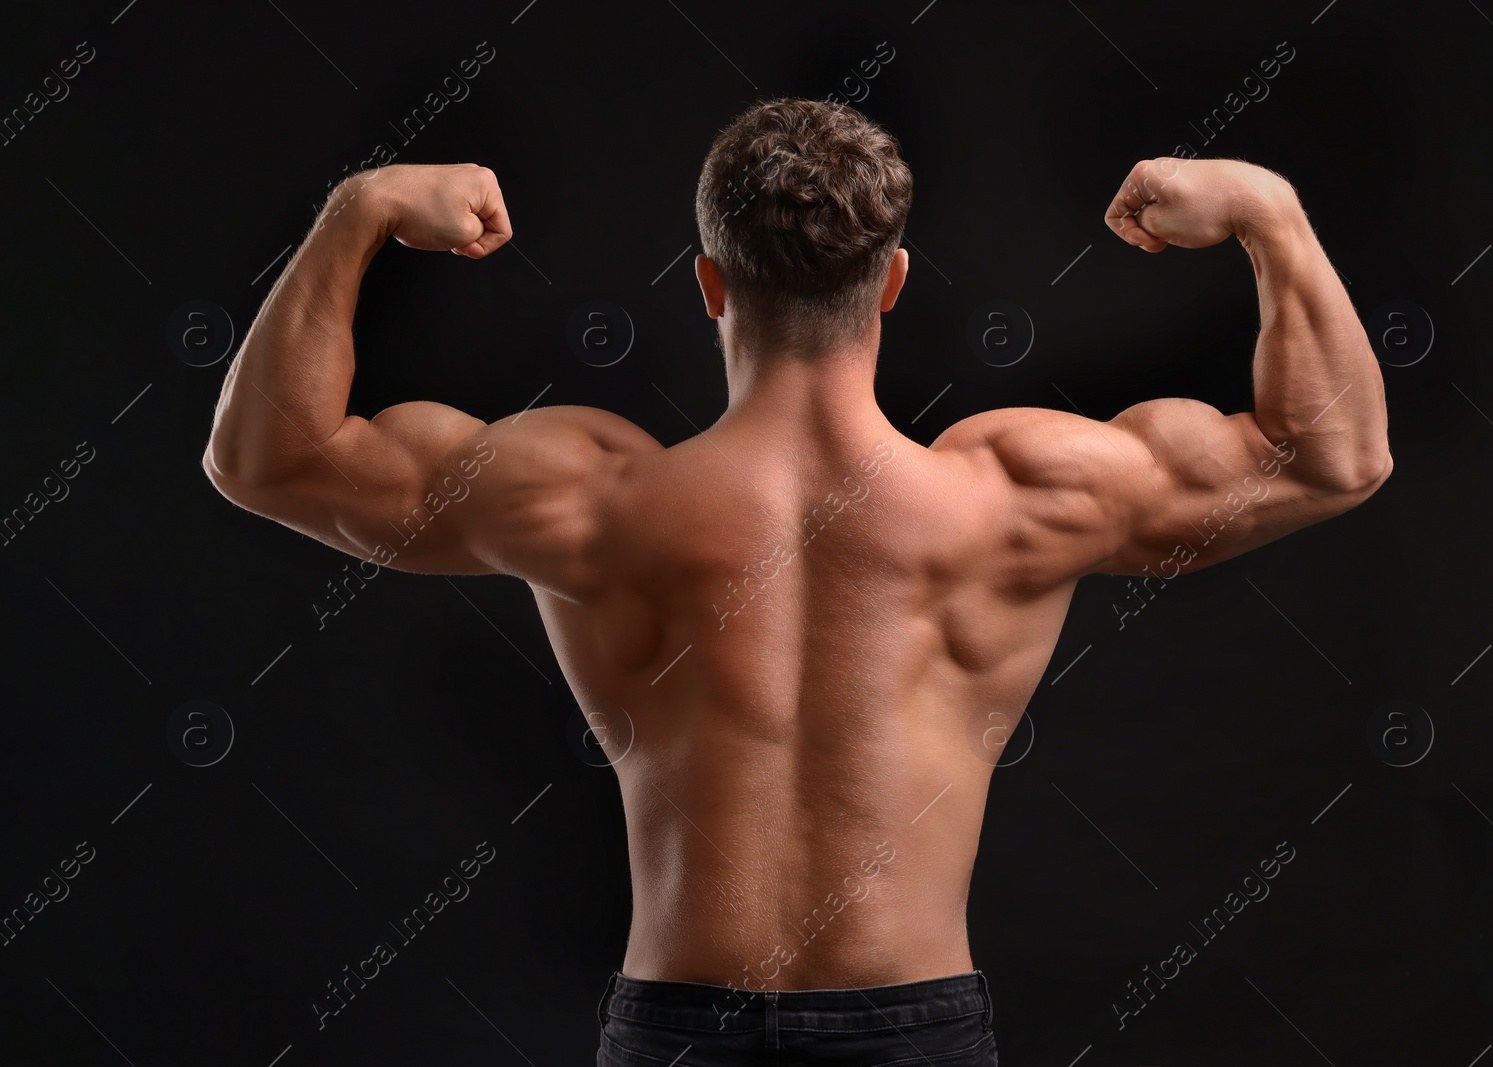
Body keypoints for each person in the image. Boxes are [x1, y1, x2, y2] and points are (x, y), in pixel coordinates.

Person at [203, 98, 1391, 1065]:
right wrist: (1268, 218)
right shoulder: (1018, 492)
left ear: (710, 284)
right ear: (891, 282)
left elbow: (266, 459)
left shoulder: (586, 495)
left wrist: (355, 213)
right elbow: (1336, 455)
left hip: (677, 1025)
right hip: (912, 1027)